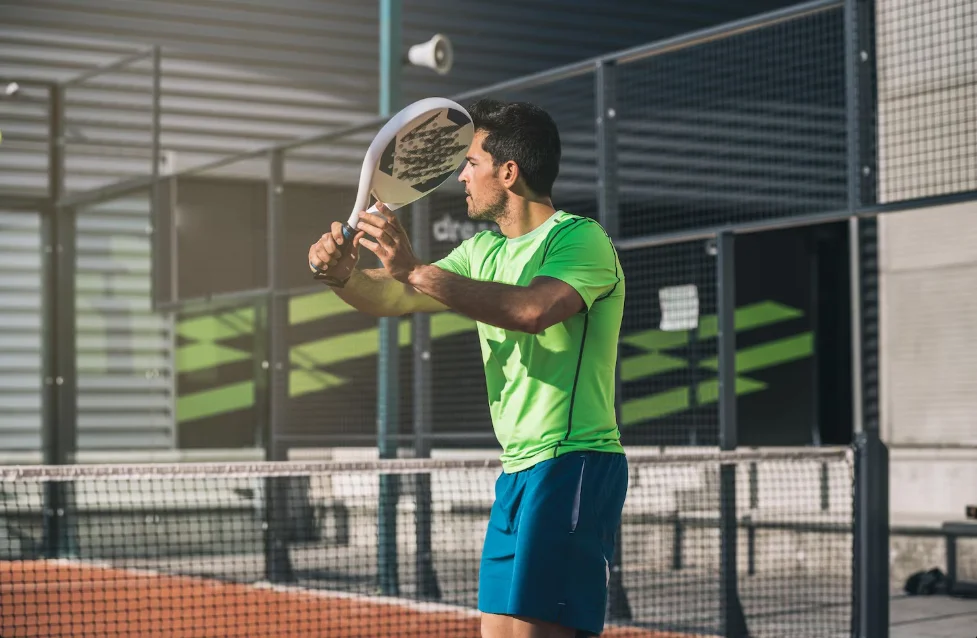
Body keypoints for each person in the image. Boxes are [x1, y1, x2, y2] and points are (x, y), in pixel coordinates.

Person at [308, 98, 628, 638]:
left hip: (572, 464)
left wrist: (412, 268)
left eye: (472, 162)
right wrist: (343, 277)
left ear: (509, 172)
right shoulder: (481, 250)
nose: (461, 175)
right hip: (518, 471)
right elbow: (394, 298)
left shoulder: (580, 239)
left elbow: (532, 310)